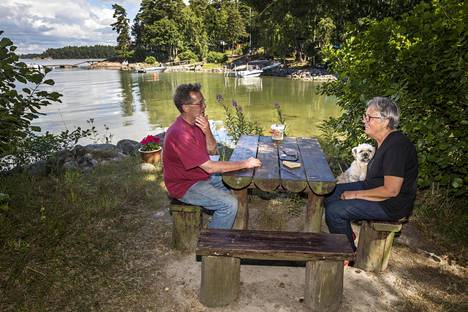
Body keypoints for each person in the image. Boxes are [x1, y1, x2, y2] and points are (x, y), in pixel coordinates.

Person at [163, 83, 262, 229]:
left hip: (200, 176)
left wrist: (207, 130)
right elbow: (210, 167)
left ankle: (232, 225)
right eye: (200, 103)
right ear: (185, 107)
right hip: (185, 186)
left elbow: (212, 151)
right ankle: (214, 243)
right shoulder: (180, 133)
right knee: (229, 204)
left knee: (236, 182)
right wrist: (245, 163)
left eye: (204, 102)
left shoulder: (196, 123)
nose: (204, 106)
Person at [325, 97, 418, 251]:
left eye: (369, 117)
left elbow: (391, 190)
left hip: (391, 205)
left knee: (335, 211)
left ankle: (347, 252)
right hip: (375, 189)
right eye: (365, 116)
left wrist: (355, 194)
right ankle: (346, 234)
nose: (364, 120)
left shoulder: (397, 147)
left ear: (386, 121)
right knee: (330, 194)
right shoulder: (383, 141)